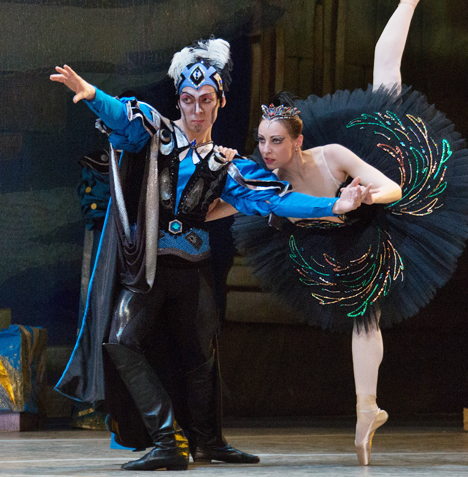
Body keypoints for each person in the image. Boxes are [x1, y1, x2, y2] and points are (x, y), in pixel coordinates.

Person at [208, 0, 468, 466]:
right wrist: (198, 211)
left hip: (383, 191)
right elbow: (236, 205)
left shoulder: (331, 153)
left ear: (296, 142)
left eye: (274, 142)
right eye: (260, 141)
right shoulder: (264, 175)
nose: (265, 150)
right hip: (335, 232)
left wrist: (359, 196)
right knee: (362, 314)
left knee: (385, 72)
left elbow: (393, 189)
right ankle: (367, 409)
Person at [50, 39, 371, 471]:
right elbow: (122, 116)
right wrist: (92, 94)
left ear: (219, 102)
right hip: (148, 269)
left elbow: (277, 200)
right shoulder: (156, 132)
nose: (196, 110)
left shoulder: (228, 163)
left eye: (205, 100)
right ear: (178, 100)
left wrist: (335, 205)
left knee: (201, 357)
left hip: (193, 269)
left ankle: (209, 440)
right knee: (120, 341)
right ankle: (168, 439)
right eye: (188, 99)